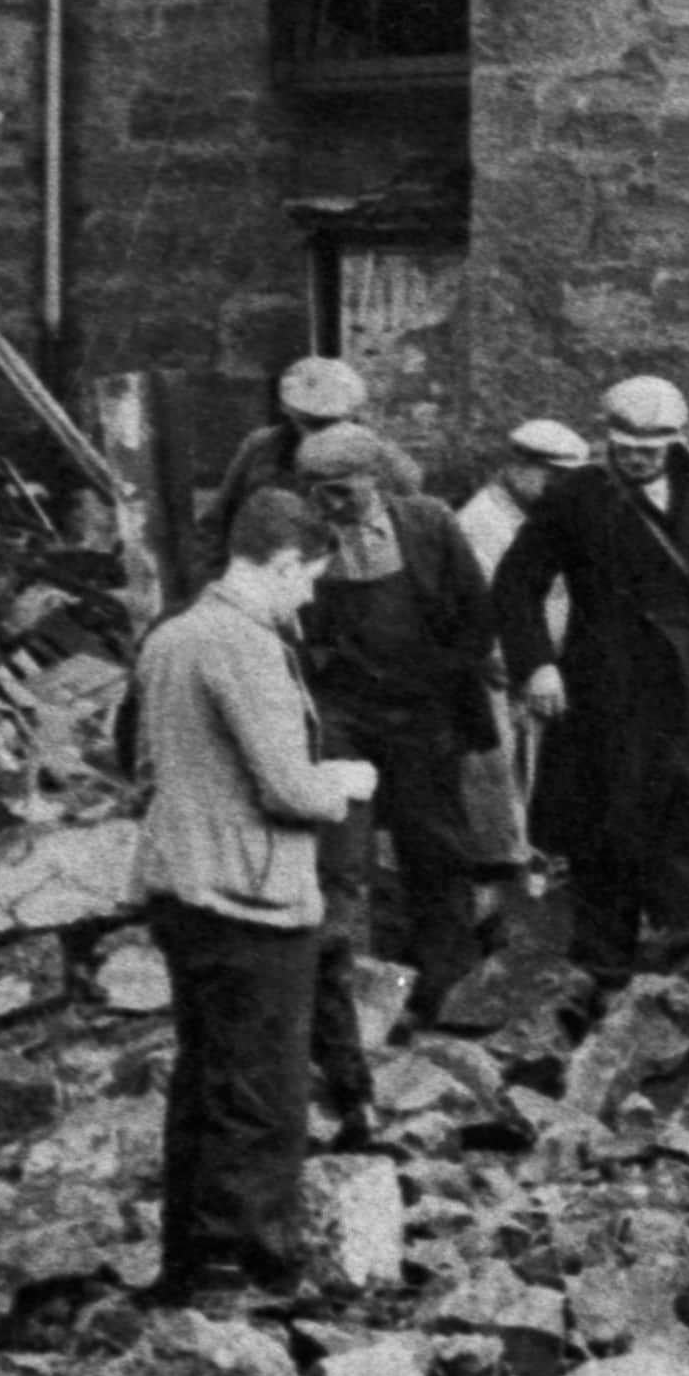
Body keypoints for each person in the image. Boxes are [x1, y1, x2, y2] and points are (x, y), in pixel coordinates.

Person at [137, 490, 373, 1306]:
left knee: (205, 1080)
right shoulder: (244, 644)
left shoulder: (169, 636)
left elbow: (138, 761)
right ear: (279, 563)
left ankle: (193, 1262)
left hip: (182, 885)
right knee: (263, 1091)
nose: (308, 596)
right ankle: (250, 1269)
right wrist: (343, 781)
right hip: (251, 894)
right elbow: (288, 789)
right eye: (307, 577)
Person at [509, 375, 689, 979]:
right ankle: (603, 972)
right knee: (602, 826)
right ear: (607, 439)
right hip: (601, 687)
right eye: (626, 446)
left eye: (652, 448)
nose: (637, 458)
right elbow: (516, 586)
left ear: (676, 442)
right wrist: (538, 664)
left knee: (688, 814)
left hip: (687, 686)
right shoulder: (577, 496)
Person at [289, 422, 505, 1037]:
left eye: (341, 491)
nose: (328, 505)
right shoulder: (304, 541)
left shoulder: (430, 524)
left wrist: (445, 673)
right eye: (316, 492)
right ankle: (349, 1002)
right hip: (344, 712)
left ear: (375, 480)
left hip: (424, 709)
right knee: (344, 855)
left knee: (435, 846)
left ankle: (450, 990)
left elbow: (476, 610)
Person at [460, 411, 596, 885]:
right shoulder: (481, 522)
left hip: (547, 664)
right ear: (519, 467)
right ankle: (509, 870)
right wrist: (505, 657)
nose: (559, 486)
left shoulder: (546, 514)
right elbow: (478, 602)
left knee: (542, 769)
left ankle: (540, 859)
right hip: (502, 671)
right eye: (551, 475)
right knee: (506, 776)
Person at [193, 352, 370, 589]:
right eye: (309, 421)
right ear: (287, 410)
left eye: (329, 422)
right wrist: (218, 583)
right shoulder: (262, 446)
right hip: (270, 579)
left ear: (351, 416)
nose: (316, 432)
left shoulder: (370, 453)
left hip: (340, 582)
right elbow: (216, 522)